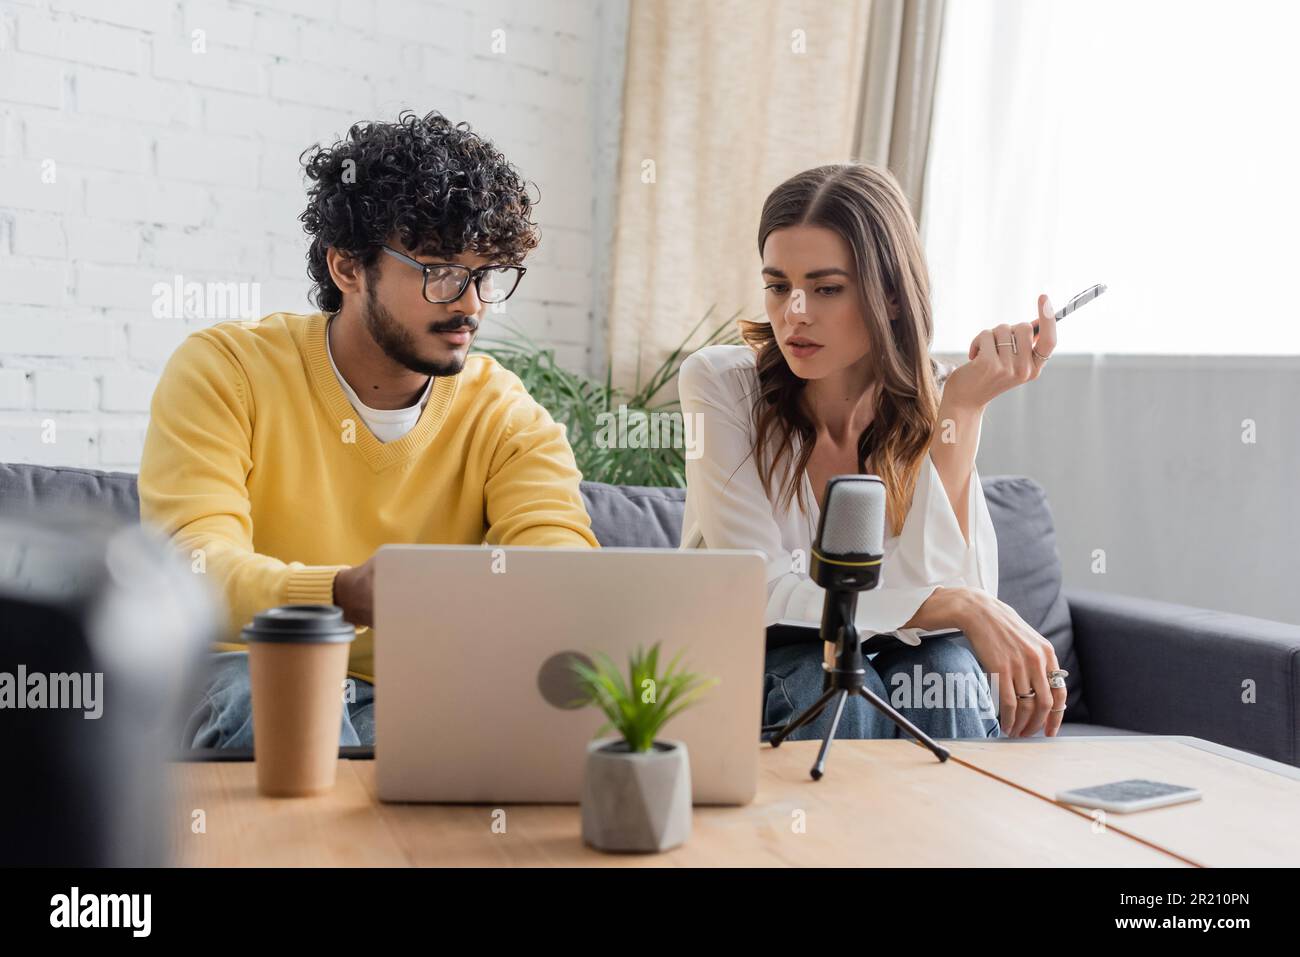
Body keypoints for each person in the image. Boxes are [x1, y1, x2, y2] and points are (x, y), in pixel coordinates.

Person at [139, 111, 598, 749]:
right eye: (439, 271)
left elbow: (561, 559)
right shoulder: (226, 370)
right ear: (348, 268)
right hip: (249, 674)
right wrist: (339, 594)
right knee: (277, 701)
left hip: (411, 697)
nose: (470, 303)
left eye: (485, 275)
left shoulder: (503, 412)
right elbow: (190, 569)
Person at [678, 163, 1067, 742]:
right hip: (757, 653)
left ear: (890, 296)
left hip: (891, 653)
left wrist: (960, 413)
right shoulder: (720, 383)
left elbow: (946, 585)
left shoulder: (933, 397)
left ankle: (947, 834)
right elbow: (754, 585)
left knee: (948, 673)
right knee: (828, 684)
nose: (795, 313)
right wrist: (957, 606)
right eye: (779, 286)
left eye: (826, 288)